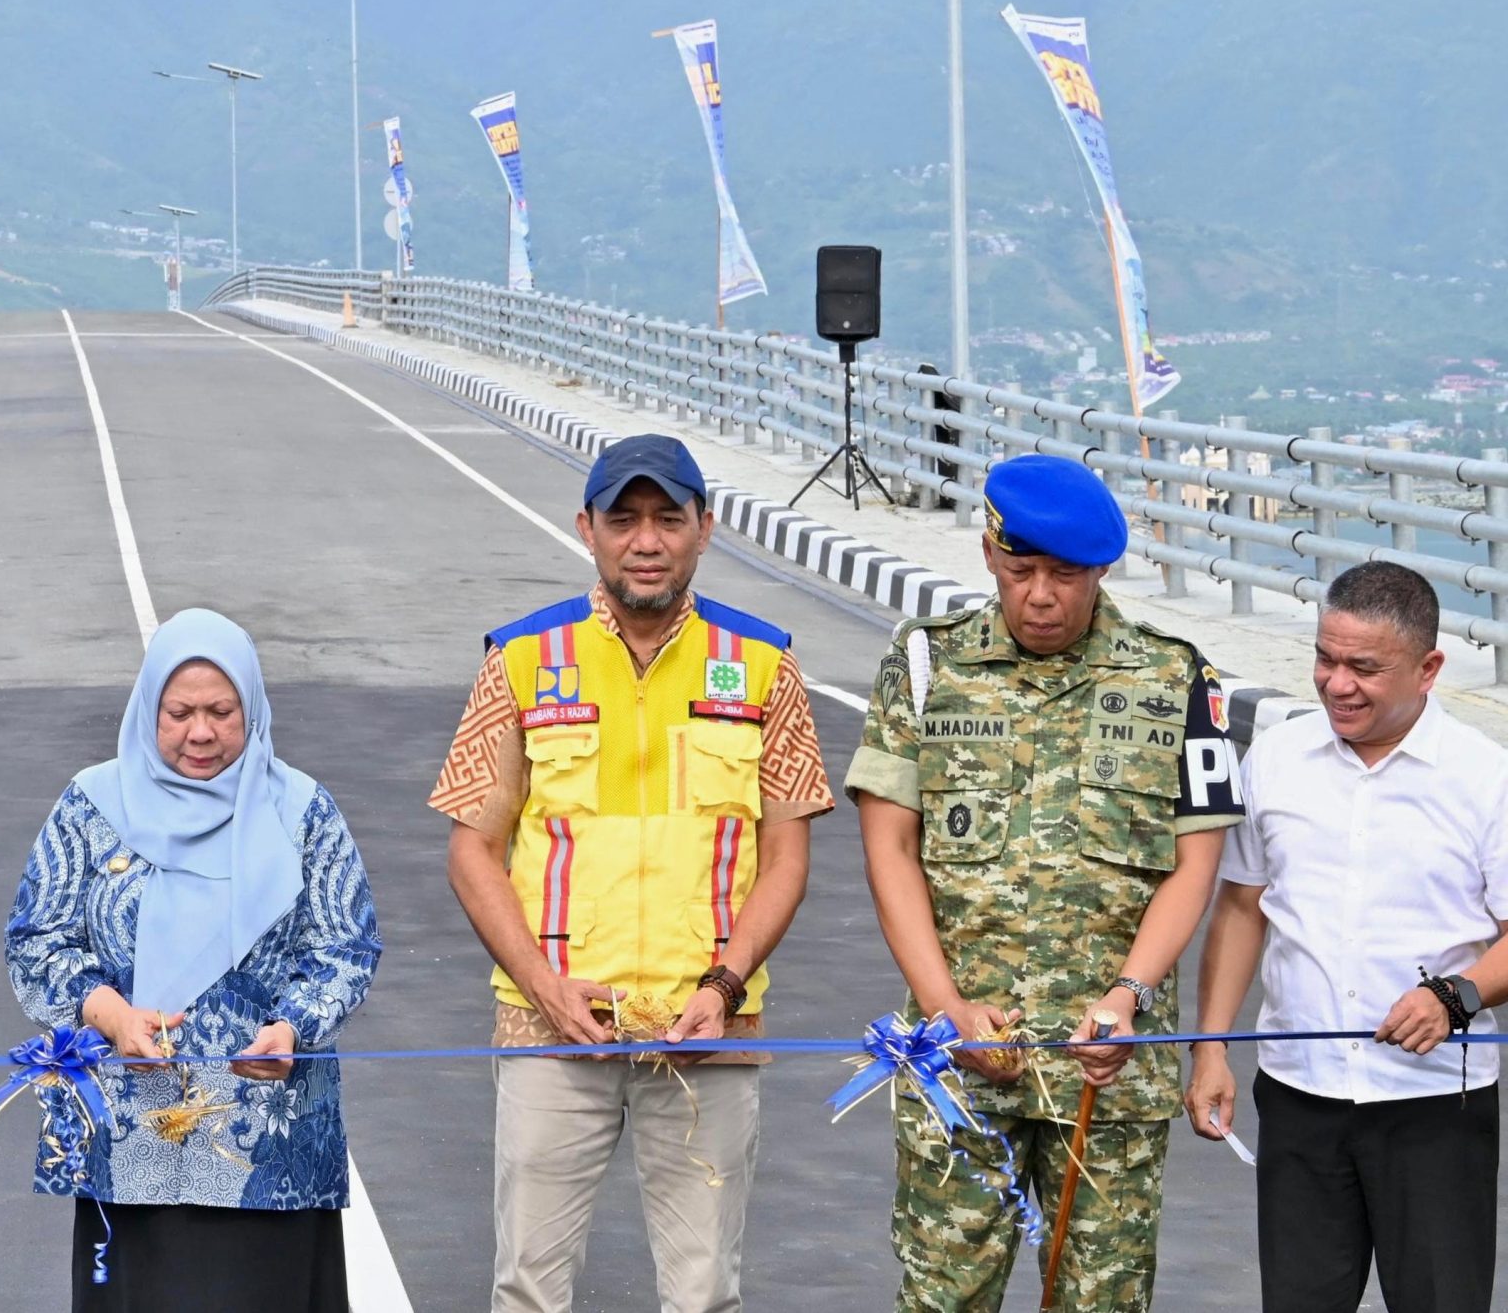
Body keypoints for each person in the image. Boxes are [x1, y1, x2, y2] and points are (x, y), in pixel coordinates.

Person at [430, 433, 831, 1313]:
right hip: (550, 1026)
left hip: (708, 1028)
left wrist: (723, 986)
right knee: (527, 1288)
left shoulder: (765, 663)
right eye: (624, 520)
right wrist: (544, 988)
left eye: (667, 519)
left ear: (704, 529)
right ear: (587, 529)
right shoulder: (520, 659)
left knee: (705, 1292)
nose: (646, 541)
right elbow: (472, 848)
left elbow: (787, 855)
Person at [845, 453, 1245, 1313]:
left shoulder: (1177, 676)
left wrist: (1130, 994)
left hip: (1108, 1076)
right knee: (943, 1300)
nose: (1039, 596)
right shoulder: (925, 663)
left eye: (1065, 576)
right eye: (1020, 570)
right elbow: (890, 850)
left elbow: (1195, 864)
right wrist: (945, 1007)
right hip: (959, 1068)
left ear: (1102, 570)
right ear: (989, 553)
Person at [6, 607, 379, 1312]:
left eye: (221, 712)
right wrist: (109, 1014)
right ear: (149, 708)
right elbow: (36, 938)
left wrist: (294, 1027)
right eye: (179, 713)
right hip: (132, 1140)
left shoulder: (302, 812)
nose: (200, 732)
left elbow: (346, 944)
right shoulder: (92, 807)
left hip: (268, 1146)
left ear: (251, 710)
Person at [1188, 561, 1507, 1313]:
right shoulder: (1277, 758)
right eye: (1325, 659)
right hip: (1298, 1096)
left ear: (1429, 668)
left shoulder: (1487, 779)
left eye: (1364, 668)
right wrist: (1211, 1049)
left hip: (1436, 1106)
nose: (1338, 684)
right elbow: (1241, 908)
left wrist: (1456, 996)